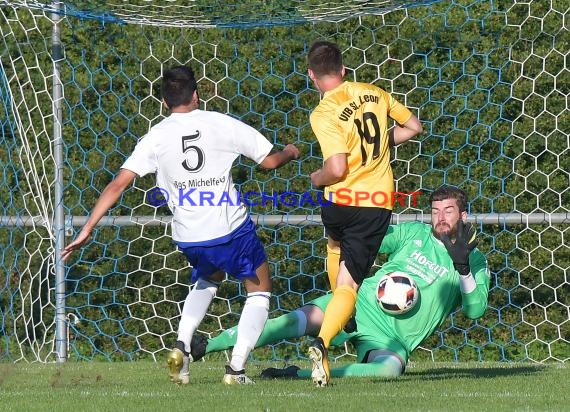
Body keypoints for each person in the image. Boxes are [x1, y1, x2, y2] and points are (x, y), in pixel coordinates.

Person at [61, 65, 300, 385]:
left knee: (208, 278)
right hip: (230, 228)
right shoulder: (220, 122)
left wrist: (87, 228)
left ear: (163, 101)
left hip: (189, 235)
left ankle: (181, 346)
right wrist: (290, 152)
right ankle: (237, 370)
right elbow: (270, 161)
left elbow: (118, 184)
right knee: (259, 291)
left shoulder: (156, 136)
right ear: (197, 95)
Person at [186, 186, 490, 381]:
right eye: (435, 211)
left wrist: (462, 268)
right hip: (357, 306)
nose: (440, 218)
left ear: (463, 215)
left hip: (391, 339)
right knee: (289, 323)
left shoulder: (474, 261)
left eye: (448, 211)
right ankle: (203, 345)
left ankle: (298, 374)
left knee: (388, 371)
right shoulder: (414, 233)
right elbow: (372, 241)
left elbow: (475, 312)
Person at [306, 40, 424, 386]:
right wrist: (383, 145)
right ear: (343, 69)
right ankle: (324, 340)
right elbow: (414, 126)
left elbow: (336, 168)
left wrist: (316, 177)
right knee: (350, 282)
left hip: (337, 202)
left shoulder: (323, 112)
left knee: (333, 246)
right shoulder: (375, 93)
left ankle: (340, 321)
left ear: (312, 75)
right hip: (374, 202)